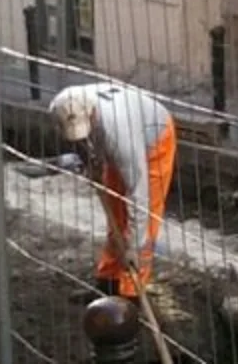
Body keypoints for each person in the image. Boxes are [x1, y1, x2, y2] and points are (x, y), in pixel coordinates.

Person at [48, 82, 177, 306]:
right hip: (114, 140)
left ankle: (130, 294)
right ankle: (107, 283)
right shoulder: (63, 108)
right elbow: (85, 139)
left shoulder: (120, 133)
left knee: (143, 221)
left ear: (93, 114)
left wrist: (134, 248)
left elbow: (139, 195)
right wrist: (93, 165)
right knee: (115, 217)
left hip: (154, 139)